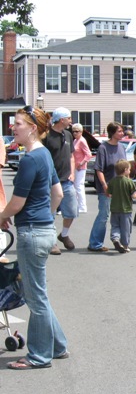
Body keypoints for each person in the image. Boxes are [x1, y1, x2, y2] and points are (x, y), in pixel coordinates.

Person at [0, 106, 69, 369]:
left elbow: (17, 203)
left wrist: (2, 216)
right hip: (43, 230)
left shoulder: (30, 158)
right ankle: (58, 345)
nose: (13, 127)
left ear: (32, 127)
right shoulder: (45, 155)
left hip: (31, 232)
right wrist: (47, 218)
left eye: (17, 123)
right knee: (39, 294)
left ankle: (39, 355)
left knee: (34, 297)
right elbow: (58, 194)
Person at [43, 107, 77, 254]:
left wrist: (73, 173)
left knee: (71, 211)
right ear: (62, 119)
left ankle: (64, 234)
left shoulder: (68, 135)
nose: (70, 121)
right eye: (69, 118)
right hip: (51, 182)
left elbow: (71, 156)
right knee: (50, 213)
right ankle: (51, 243)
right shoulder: (47, 137)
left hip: (67, 180)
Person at [88, 122, 126, 252]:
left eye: (122, 131)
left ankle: (120, 241)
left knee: (119, 215)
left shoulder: (121, 147)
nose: (122, 133)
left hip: (119, 187)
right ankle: (95, 243)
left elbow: (124, 168)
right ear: (112, 133)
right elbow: (99, 169)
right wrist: (104, 186)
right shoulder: (103, 148)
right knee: (104, 215)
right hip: (107, 187)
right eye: (119, 131)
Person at [106, 159, 136, 253]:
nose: (130, 171)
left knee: (115, 225)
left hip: (114, 208)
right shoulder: (129, 182)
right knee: (126, 228)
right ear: (126, 170)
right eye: (129, 170)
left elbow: (108, 193)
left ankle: (115, 238)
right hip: (126, 209)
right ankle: (125, 245)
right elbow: (133, 196)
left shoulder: (112, 181)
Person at [72, 123, 92, 213]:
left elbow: (88, 154)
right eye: (73, 131)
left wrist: (81, 163)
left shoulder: (82, 140)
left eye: (77, 131)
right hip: (75, 166)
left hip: (81, 167)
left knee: (79, 186)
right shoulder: (75, 141)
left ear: (81, 132)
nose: (75, 133)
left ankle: (83, 207)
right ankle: (77, 205)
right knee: (75, 186)